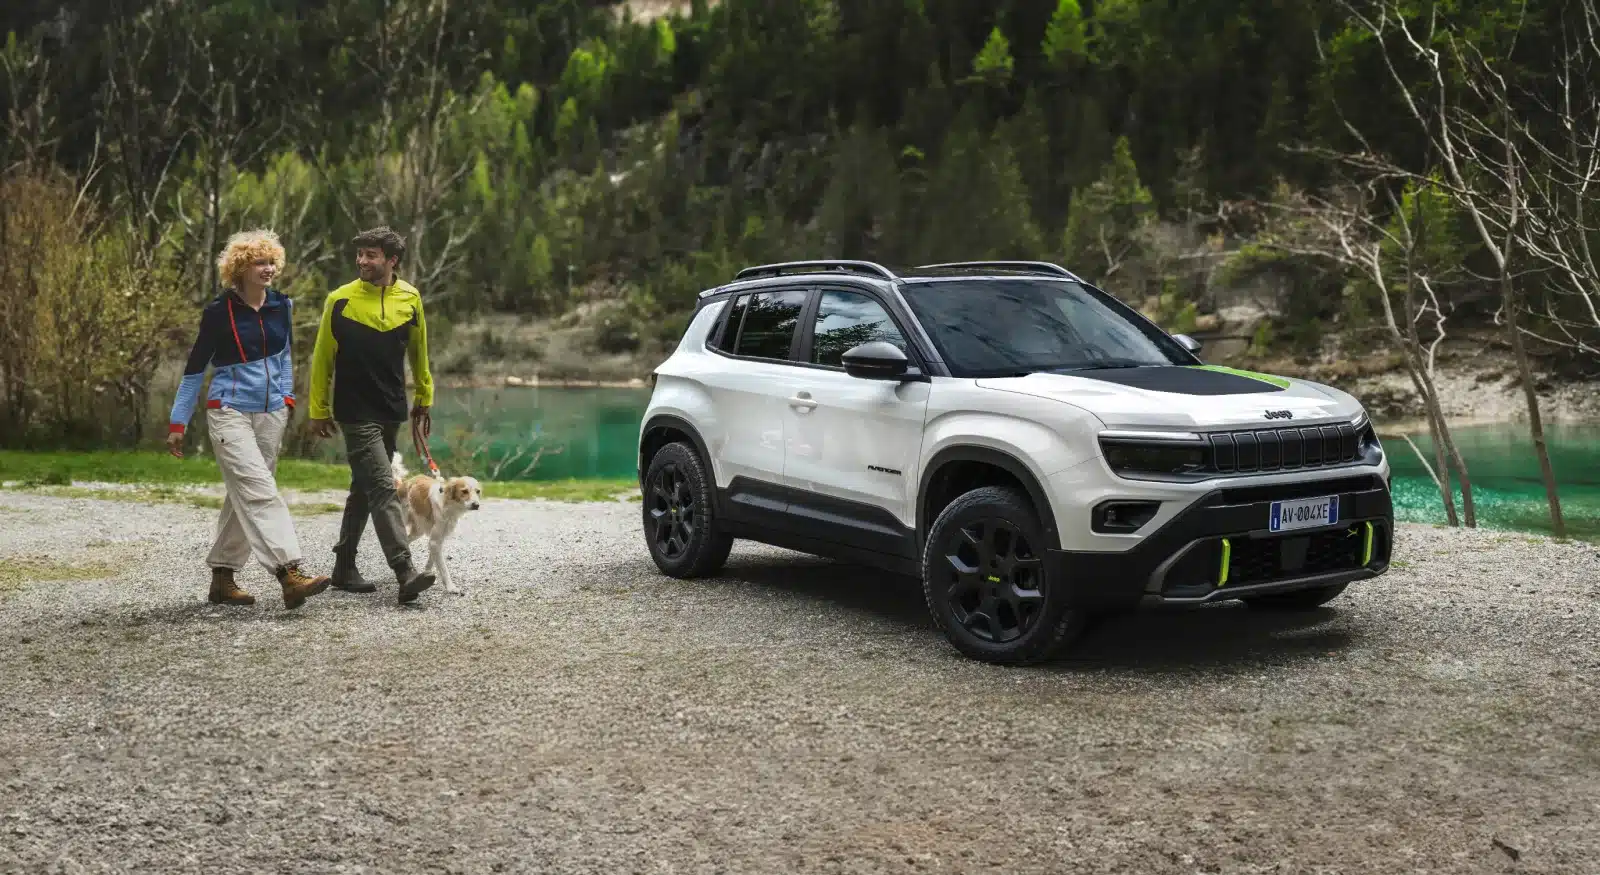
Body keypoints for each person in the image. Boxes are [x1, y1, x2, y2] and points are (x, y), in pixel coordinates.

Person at [166, 229, 332, 609]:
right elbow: (194, 371)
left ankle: (222, 579)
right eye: (260, 262)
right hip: (229, 411)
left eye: (272, 261)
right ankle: (289, 571)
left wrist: (287, 397)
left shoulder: (282, 306)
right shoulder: (218, 312)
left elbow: (285, 357)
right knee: (259, 488)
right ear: (240, 268)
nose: (269, 268)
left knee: (246, 491)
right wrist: (178, 423)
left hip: (272, 413)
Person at [307, 225, 438, 605]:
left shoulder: (410, 298)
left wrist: (424, 395)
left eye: (371, 255)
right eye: (360, 254)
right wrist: (318, 409)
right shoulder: (340, 300)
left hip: (391, 407)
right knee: (383, 486)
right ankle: (404, 570)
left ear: (392, 260)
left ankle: (344, 566)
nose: (362, 261)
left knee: (364, 487)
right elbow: (322, 359)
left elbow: (419, 351)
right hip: (353, 409)